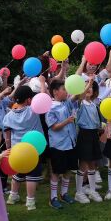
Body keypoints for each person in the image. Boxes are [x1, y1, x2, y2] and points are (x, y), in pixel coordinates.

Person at [4, 84, 45, 210]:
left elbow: (7, 135)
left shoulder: (8, 116)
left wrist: (8, 148)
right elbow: (43, 98)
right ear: (28, 100)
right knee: (31, 176)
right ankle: (30, 201)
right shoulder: (33, 110)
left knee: (17, 174)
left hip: (17, 150)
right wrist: (42, 83)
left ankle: (12, 196)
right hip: (32, 150)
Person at [46, 80, 79, 209]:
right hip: (58, 145)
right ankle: (53, 197)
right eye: (64, 89)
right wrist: (67, 121)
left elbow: (77, 96)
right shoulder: (50, 107)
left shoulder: (66, 102)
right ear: (55, 92)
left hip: (70, 143)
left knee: (68, 169)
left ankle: (64, 193)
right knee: (56, 171)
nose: (66, 91)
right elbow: (53, 127)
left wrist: (87, 84)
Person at [74, 79, 104, 203]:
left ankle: (92, 191)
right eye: (86, 86)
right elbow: (79, 96)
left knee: (92, 164)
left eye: (91, 86)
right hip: (84, 134)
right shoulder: (79, 103)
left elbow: (97, 122)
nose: (89, 88)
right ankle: (79, 192)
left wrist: (101, 128)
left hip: (93, 135)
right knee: (83, 164)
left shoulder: (94, 105)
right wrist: (87, 85)